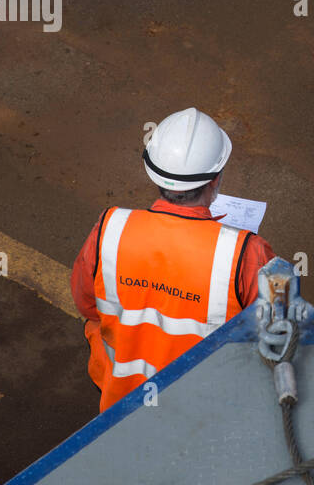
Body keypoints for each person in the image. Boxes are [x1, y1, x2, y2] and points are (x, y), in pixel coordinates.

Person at [70, 107, 276, 412]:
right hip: (206, 405)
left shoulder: (109, 229)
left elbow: (87, 306)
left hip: (119, 396)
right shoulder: (246, 253)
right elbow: (273, 337)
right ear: (216, 179)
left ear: (153, 173)